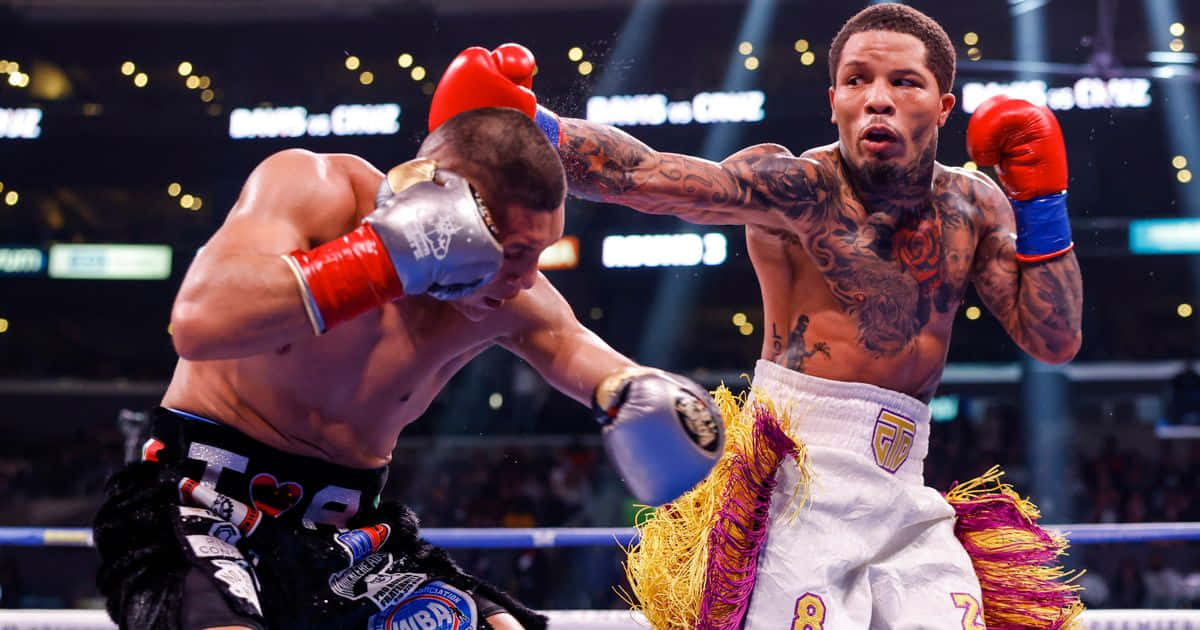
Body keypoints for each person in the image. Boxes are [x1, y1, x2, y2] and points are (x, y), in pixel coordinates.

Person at [429, 3, 1084, 628]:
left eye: (904, 81)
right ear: (835, 99)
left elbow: (1053, 339)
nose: (877, 98)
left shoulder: (973, 204)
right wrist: (529, 124)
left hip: (906, 484)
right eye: (857, 80)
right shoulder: (798, 188)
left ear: (943, 106)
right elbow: (645, 176)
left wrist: (1043, 203)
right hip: (799, 482)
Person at [92, 107, 725, 630]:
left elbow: (580, 353)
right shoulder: (316, 189)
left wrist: (635, 392)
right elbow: (199, 321)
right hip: (197, 498)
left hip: (346, 534)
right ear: (446, 214)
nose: (526, 278)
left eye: (541, 252)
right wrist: (386, 257)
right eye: (514, 252)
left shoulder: (512, 298)